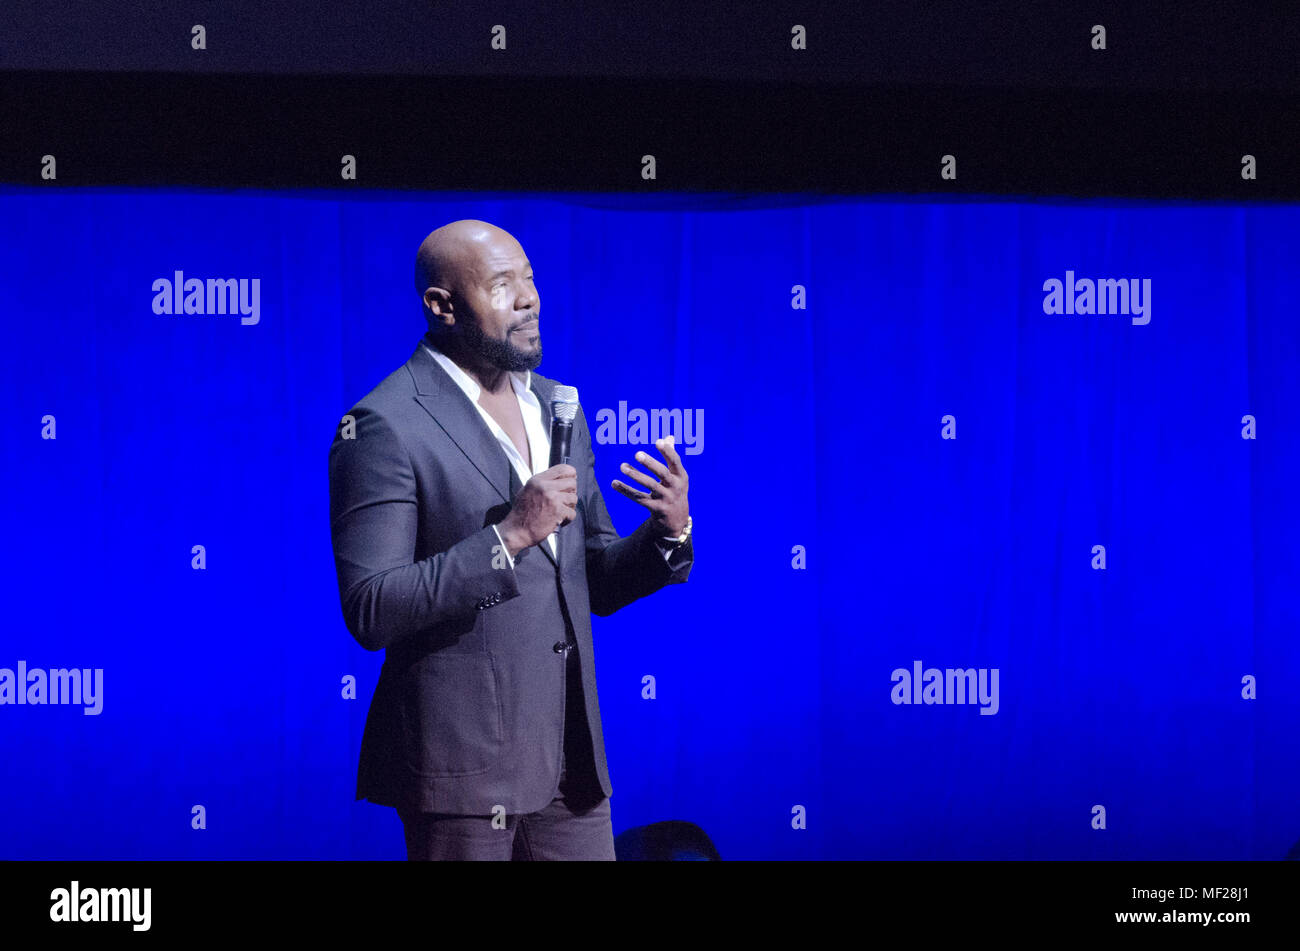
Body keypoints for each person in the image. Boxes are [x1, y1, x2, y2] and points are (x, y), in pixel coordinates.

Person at [328, 219, 694, 860]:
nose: (530, 299)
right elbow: (372, 607)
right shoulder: (383, 424)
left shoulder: (558, 407)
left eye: (529, 278)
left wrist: (667, 534)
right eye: (502, 285)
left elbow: (594, 580)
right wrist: (509, 536)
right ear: (441, 306)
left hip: (571, 764)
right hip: (461, 773)